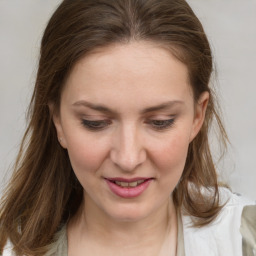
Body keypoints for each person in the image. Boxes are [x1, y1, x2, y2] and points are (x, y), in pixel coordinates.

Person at [0, 0, 255, 255]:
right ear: (58, 120)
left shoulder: (245, 238)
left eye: (160, 122)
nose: (128, 159)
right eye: (95, 123)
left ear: (197, 116)